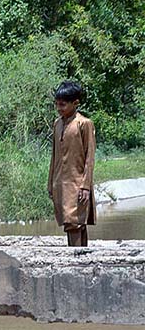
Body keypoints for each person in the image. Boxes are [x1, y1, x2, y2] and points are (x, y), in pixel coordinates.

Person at [49, 81, 96, 247]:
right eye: (57, 104)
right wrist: (51, 183)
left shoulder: (84, 124)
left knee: (74, 222)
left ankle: (76, 260)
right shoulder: (57, 124)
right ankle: (80, 258)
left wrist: (85, 186)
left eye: (63, 104)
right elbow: (54, 156)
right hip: (60, 181)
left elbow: (90, 157)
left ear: (75, 103)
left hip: (77, 182)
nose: (59, 108)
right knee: (71, 222)